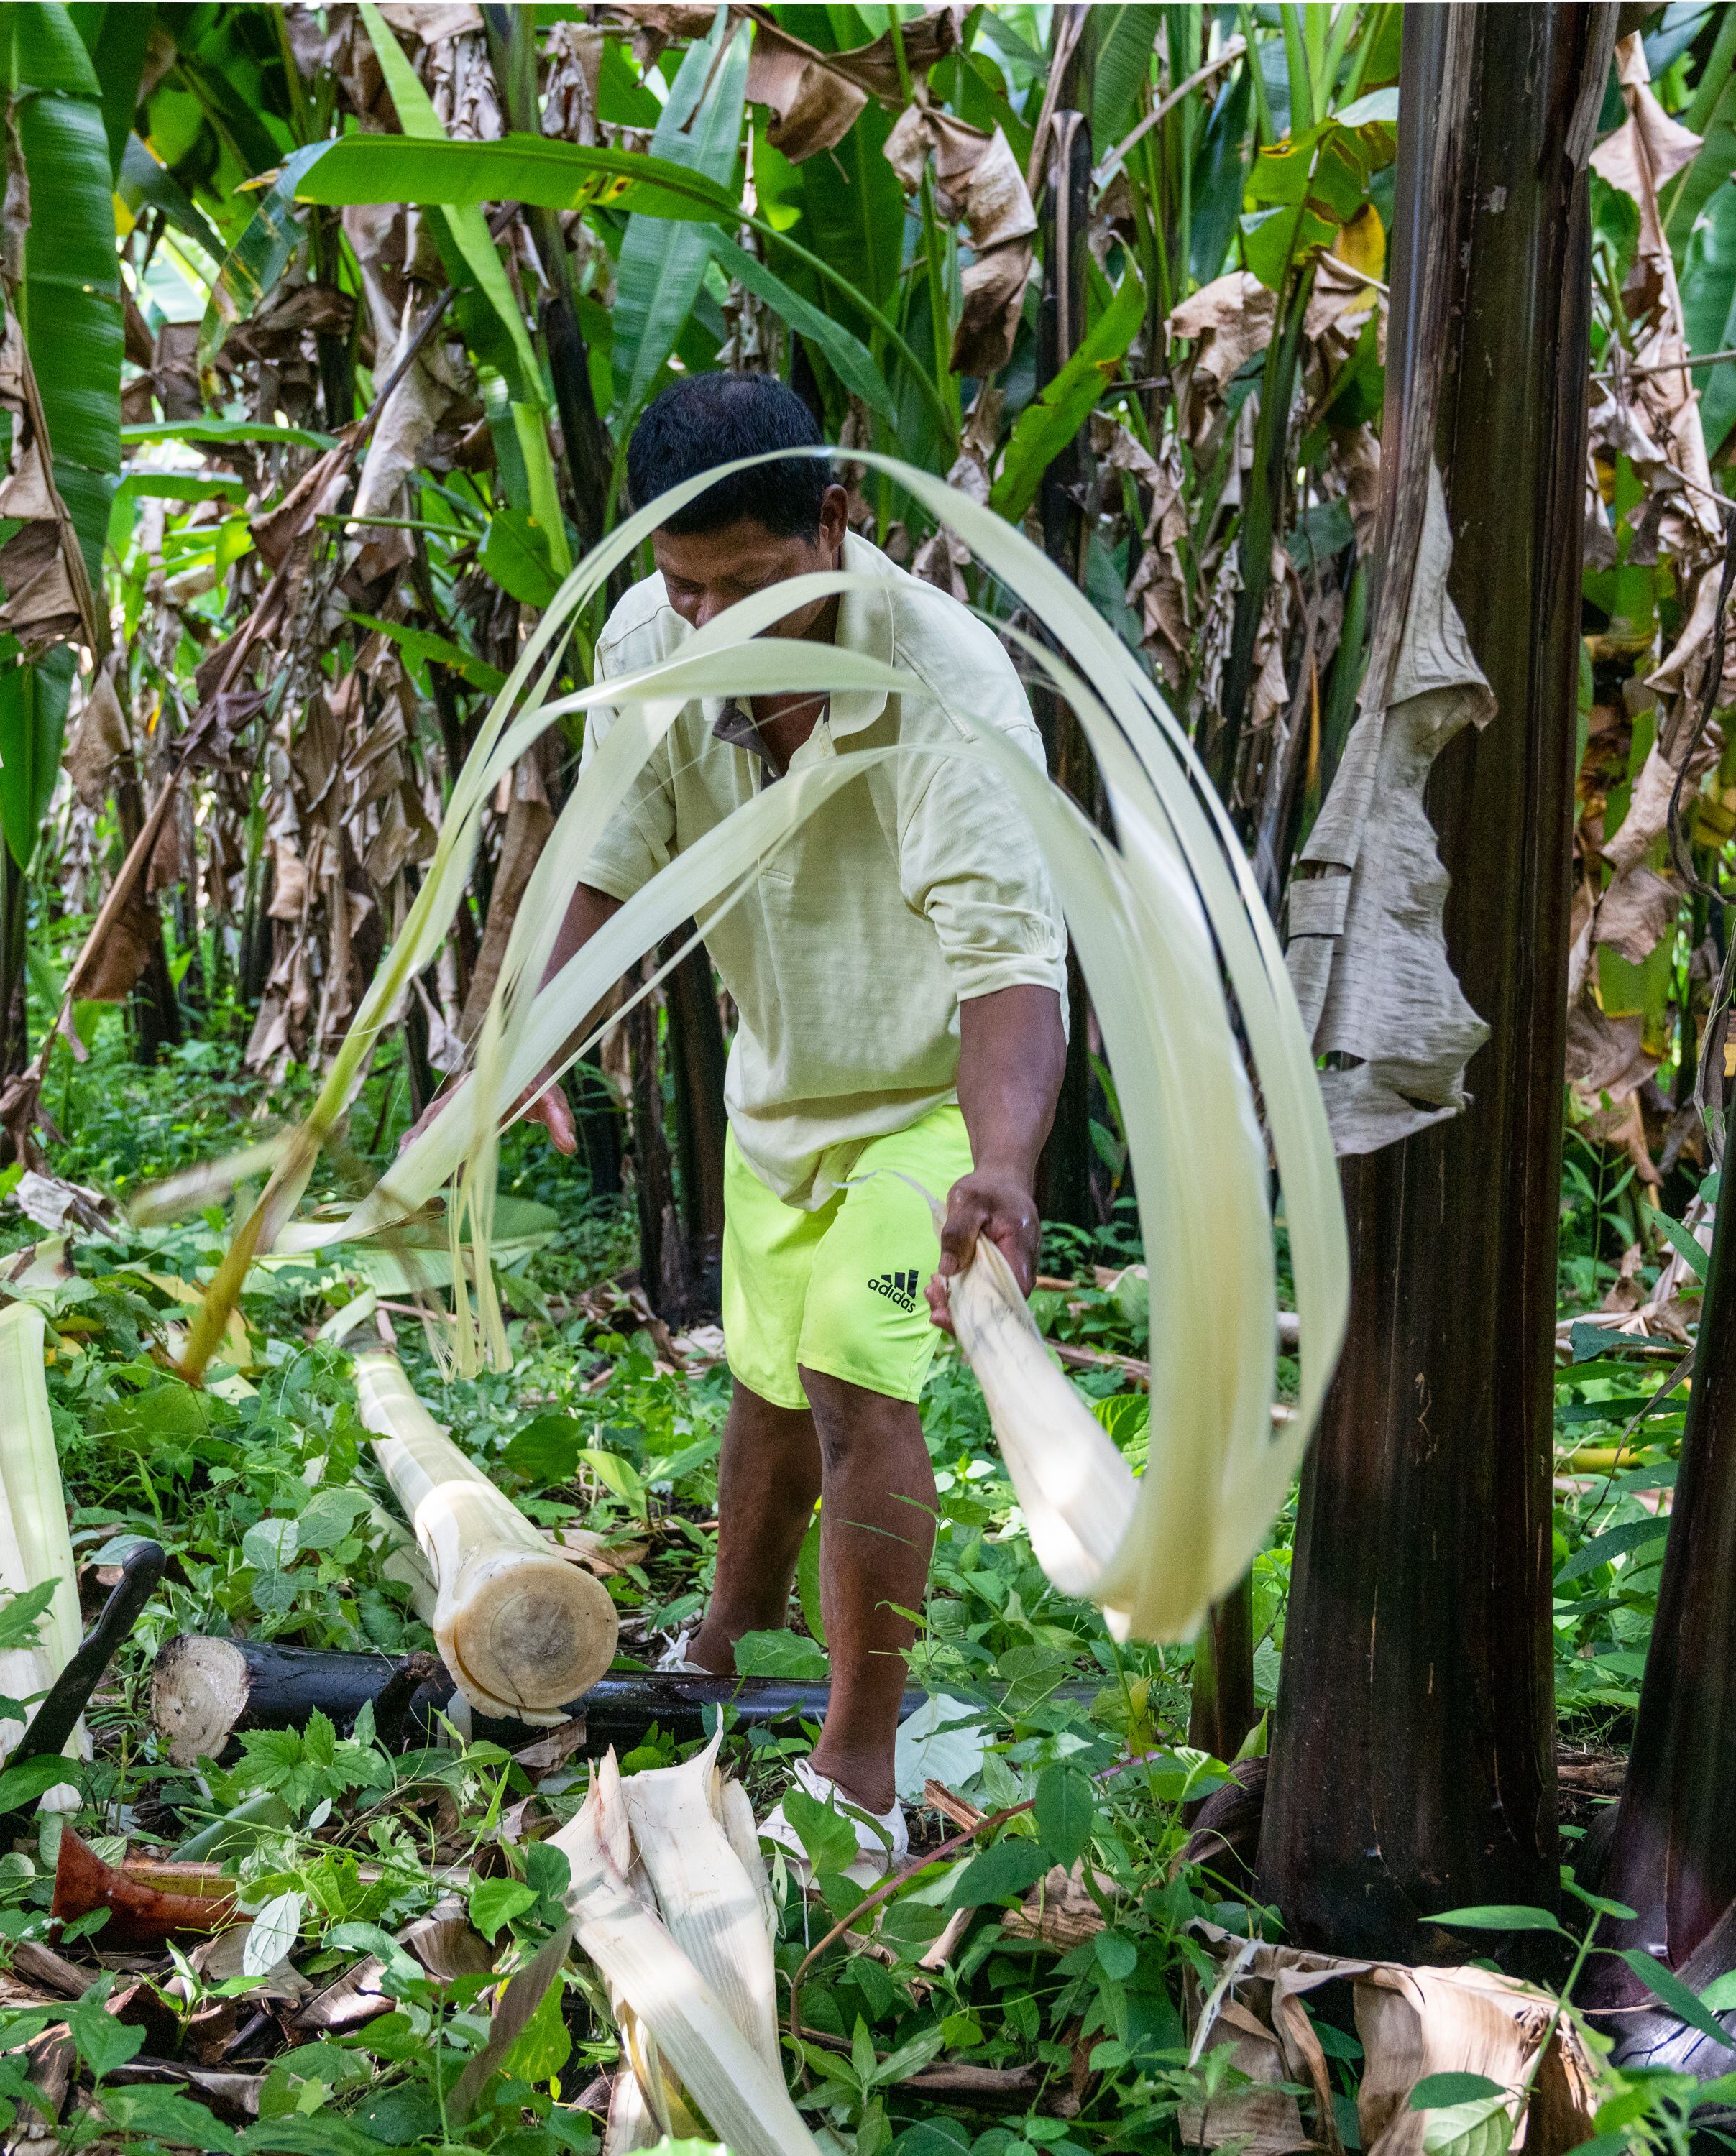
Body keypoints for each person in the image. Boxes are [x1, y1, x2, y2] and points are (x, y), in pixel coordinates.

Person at [498, 373, 1066, 1871]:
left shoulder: (940, 686)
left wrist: (998, 1160)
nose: (715, 626)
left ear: (837, 523)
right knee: (765, 1374)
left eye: (750, 587)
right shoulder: (655, 637)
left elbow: (1012, 965)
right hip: (780, 1091)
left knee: (852, 1382)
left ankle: (860, 1770)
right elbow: (606, 861)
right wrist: (534, 1037)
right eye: (688, 590)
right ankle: (731, 1640)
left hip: (924, 1107)